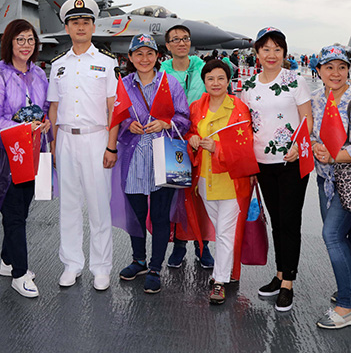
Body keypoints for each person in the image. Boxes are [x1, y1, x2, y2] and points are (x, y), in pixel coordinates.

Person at [108, 33, 190, 294]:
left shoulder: (171, 83)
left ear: (157, 56)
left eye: (149, 53)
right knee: (136, 211)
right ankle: (139, 260)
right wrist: (126, 124)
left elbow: (185, 118)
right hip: (133, 155)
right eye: (138, 53)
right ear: (130, 58)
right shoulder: (124, 84)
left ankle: (155, 266)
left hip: (162, 154)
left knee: (160, 213)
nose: (144, 58)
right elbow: (117, 116)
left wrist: (167, 123)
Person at [47, 0, 118, 292]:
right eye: (75, 22)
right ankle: (71, 264)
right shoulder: (58, 65)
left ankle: (101, 267)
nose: (80, 26)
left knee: (99, 206)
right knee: (70, 205)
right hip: (65, 139)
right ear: (66, 27)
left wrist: (111, 146)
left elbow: (114, 107)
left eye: (86, 22)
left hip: (96, 138)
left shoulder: (107, 63)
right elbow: (53, 107)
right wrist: (52, 143)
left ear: (92, 26)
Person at [238, 27, 311, 312]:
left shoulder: (295, 81)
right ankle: (280, 274)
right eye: (265, 49)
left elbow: (307, 119)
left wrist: (298, 146)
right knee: (277, 220)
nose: (271, 54)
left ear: (284, 53)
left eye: (277, 49)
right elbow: (247, 126)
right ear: (256, 53)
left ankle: (288, 283)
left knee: (290, 221)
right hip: (262, 163)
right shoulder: (249, 87)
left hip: (291, 162)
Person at [0, 19, 50, 299]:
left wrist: (43, 124)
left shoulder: (40, 75)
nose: (26, 45)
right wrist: (21, 129)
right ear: (9, 43)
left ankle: (8, 261)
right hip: (7, 153)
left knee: (23, 209)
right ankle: (20, 273)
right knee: (15, 214)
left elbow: (43, 109)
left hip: (34, 150)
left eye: (30, 39)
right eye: (20, 39)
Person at [310, 45, 351, 329]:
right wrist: (314, 147)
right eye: (328, 67)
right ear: (319, 71)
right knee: (340, 236)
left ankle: (346, 306)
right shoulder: (314, 100)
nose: (335, 73)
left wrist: (334, 155)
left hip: (349, 182)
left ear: (349, 69)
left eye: (341, 67)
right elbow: (306, 133)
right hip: (324, 180)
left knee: (332, 234)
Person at [185, 59, 254, 305]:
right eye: (210, 78)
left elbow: (245, 145)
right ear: (204, 81)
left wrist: (218, 147)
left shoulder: (238, 108)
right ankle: (227, 271)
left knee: (224, 232)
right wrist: (193, 139)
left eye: (221, 78)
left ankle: (219, 281)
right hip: (204, 179)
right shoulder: (196, 106)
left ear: (228, 81)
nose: (215, 83)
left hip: (231, 180)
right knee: (220, 228)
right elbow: (191, 130)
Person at [160, 23, 213, 269]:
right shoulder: (162, 71)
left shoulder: (203, 68)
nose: (181, 43)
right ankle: (179, 245)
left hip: (201, 140)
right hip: (174, 140)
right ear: (168, 45)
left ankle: (203, 246)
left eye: (185, 38)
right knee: (177, 196)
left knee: (202, 195)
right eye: (176, 39)